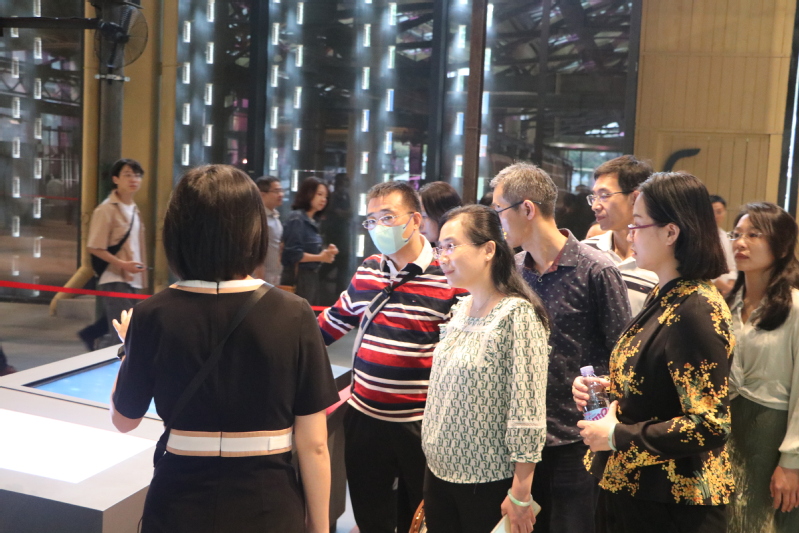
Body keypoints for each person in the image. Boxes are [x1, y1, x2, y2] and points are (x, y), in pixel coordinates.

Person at [109, 164, 339, 533]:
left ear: (178, 229)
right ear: (253, 230)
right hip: (269, 504)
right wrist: (320, 528)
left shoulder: (151, 314)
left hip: (177, 504)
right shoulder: (294, 313)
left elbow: (124, 420)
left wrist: (127, 349)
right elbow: (313, 445)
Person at [573, 171, 734, 533]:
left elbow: (710, 423)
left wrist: (617, 436)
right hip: (638, 490)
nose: (630, 234)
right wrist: (606, 386)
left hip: (674, 501)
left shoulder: (696, 307)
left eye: (638, 224)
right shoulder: (666, 293)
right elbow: (661, 384)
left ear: (670, 232)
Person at [317, 181, 467, 533]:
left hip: (421, 422)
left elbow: (460, 353)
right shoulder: (369, 269)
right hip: (364, 417)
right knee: (370, 515)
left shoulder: (449, 274)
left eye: (387, 217)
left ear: (415, 220)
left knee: (423, 517)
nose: (378, 228)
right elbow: (332, 324)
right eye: (371, 221)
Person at [491, 162, 631, 533]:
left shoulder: (596, 270)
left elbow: (624, 355)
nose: (497, 222)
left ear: (526, 209)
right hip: (519, 438)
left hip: (576, 438)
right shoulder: (513, 270)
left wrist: (603, 409)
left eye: (499, 210)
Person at [422, 204, 549, 533]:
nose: (442, 257)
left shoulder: (517, 315)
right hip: (438, 472)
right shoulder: (462, 307)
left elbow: (527, 410)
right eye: (439, 247)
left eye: (451, 246)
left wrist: (521, 492)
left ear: (489, 249)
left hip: (487, 480)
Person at [726, 202, 799, 532]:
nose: (740, 243)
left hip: (774, 436)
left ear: (781, 246)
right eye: (736, 234)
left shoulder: (795, 307)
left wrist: (792, 462)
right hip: (728, 432)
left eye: (754, 235)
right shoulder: (727, 305)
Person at [583, 155, 658, 315]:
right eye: (594, 196)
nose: (595, 206)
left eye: (604, 195)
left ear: (635, 198)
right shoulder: (585, 251)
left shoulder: (661, 260)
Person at [85, 158, 148, 349]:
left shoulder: (134, 209)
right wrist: (123, 264)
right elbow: (94, 247)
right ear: (115, 179)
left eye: (137, 175)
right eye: (127, 175)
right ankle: (112, 361)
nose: (133, 179)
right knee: (124, 333)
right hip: (114, 278)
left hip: (132, 279)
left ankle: (94, 340)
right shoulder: (106, 210)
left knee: (126, 330)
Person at [281, 176, 338, 304]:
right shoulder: (297, 218)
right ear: (308, 193)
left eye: (326, 196)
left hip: (311, 277)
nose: (323, 199)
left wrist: (326, 252)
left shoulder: (313, 220)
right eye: (319, 194)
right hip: (298, 278)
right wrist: (321, 257)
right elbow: (293, 254)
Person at [253, 176, 284, 286]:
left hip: (273, 275)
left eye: (281, 190)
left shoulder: (275, 216)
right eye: (276, 191)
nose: (281, 194)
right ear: (262, 194)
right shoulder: (257, 218)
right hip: (259, 278)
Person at [710, 195, 737, 296]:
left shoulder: (725, 236)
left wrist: (730, 285)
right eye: (712, 212)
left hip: (725, 293)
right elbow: (705, 271)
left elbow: (732, 266)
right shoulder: (699, 237)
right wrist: (728, 288)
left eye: (719, 212)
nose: (715, 216)